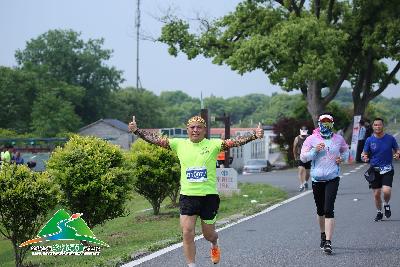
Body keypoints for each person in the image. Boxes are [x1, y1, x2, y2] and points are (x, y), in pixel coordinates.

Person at [128, 115, 264, 267]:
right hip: (188, 196)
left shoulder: (214, 145)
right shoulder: (179, 144)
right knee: (187, 232)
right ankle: (191, 264)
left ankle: (214, 243)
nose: (195, 130)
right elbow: (157, 140)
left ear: (205, 130)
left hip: (209, 196)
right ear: (187, 130)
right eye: (192, 127)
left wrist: (254, 135)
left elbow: (234, 142)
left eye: (199, 127)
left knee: (208, 235)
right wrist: (137, 131)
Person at [300, 112, 349, 255]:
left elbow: (346, 152)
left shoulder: (338, 139)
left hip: (332, 178)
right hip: (317, 179)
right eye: (323, 122)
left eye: (328, 122)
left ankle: (328, 241)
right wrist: (315, 150)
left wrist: (342, 158)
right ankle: (322, 234)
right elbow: (303, 157)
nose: (325, 125)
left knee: (329, 209)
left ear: (332, 124)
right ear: (319, 123)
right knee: (320, 210)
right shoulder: (311, 139)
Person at [361, 118, 400, 222]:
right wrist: (364, 157)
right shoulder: (369, 140)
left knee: (386, 191)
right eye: (375, 125)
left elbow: (397, 149)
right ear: (373, 126)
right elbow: (364, 153)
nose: (377, 127)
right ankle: (379, 212)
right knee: (377, 194)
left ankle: (386, 204)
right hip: (375, 170)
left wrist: (397, 154)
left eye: (379, 125)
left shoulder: (390, 138)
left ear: (383, 126)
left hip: (387, 168)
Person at [293, 126, 311, 191]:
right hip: (300, 156)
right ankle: (301, 184)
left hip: (308, 156)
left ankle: (305, 182)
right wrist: (295, 156)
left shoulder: (309, 137)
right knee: (301, 170)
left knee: (307, 172)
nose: (303, 135)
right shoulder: (297, 138)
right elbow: (294, 148)